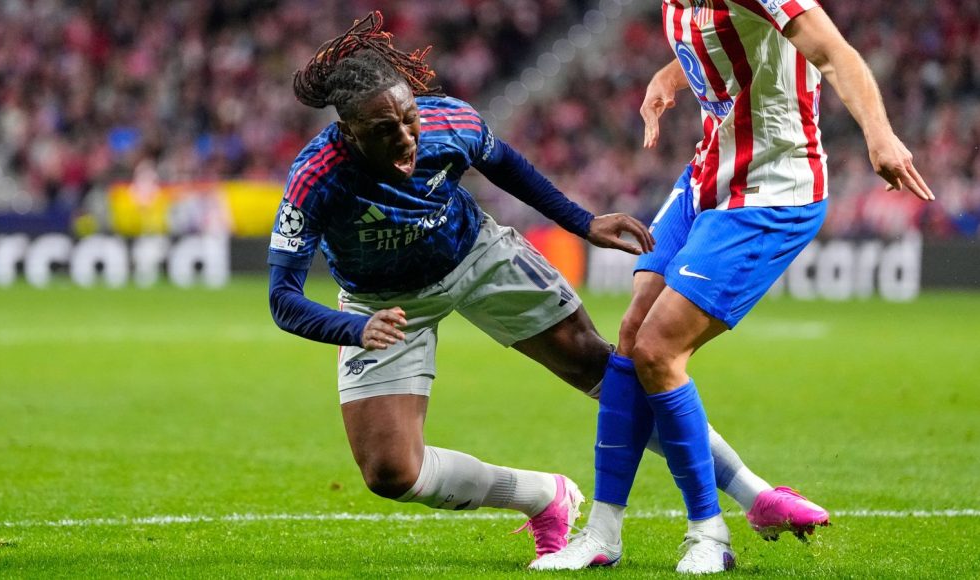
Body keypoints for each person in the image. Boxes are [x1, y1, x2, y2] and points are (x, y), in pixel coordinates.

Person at [268, 11, 834, 567]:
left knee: (613, 369)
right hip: (383, 305)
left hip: (477, 256)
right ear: (347, 132)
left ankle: (756, 496)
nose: (405, 138)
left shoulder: (449, 122)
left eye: (408, 119)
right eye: (382, 131)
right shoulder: (316, 177)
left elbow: (509, 167)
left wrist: (582, 222)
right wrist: (356, 327)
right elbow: (283, 299)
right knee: (390, 473)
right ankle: (544, 496)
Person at [531, 0, 934, 573]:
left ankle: (710, 532)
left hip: (773, 190)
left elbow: (834, 53)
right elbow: (713, 41)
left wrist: (880, 135)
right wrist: (669, 76)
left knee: (658, 350)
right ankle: (603, 531)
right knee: (631, 334)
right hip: (708, 176)